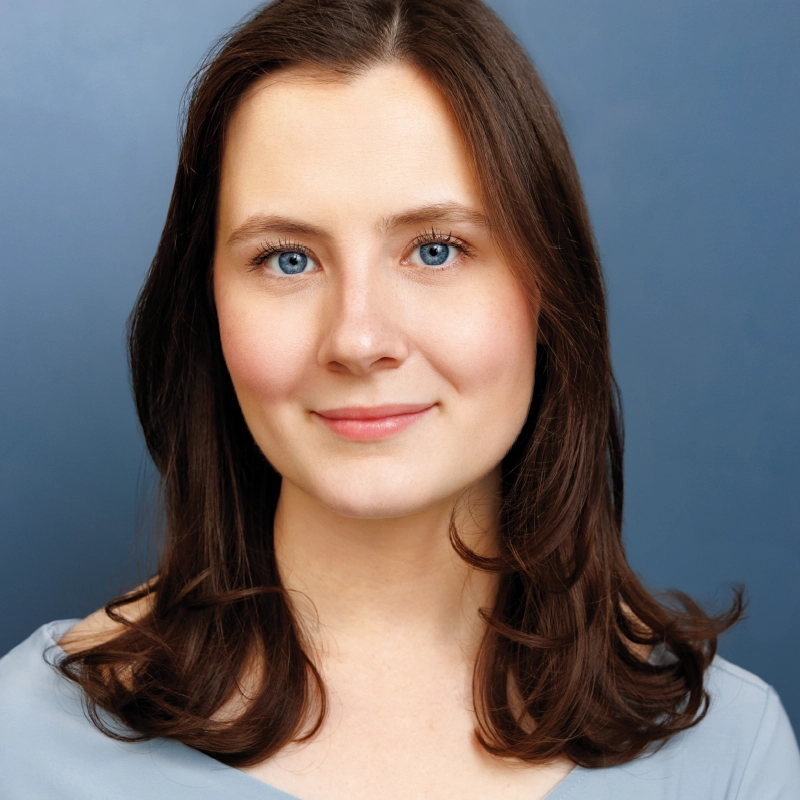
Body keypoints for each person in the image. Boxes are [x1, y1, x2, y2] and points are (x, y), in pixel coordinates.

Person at [1, 0, 798, 797]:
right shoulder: (27, 743)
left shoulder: (728, 753)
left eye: (435, 249)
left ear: (549, 294)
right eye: (286, 259)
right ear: (205, 306)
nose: (357, 338)